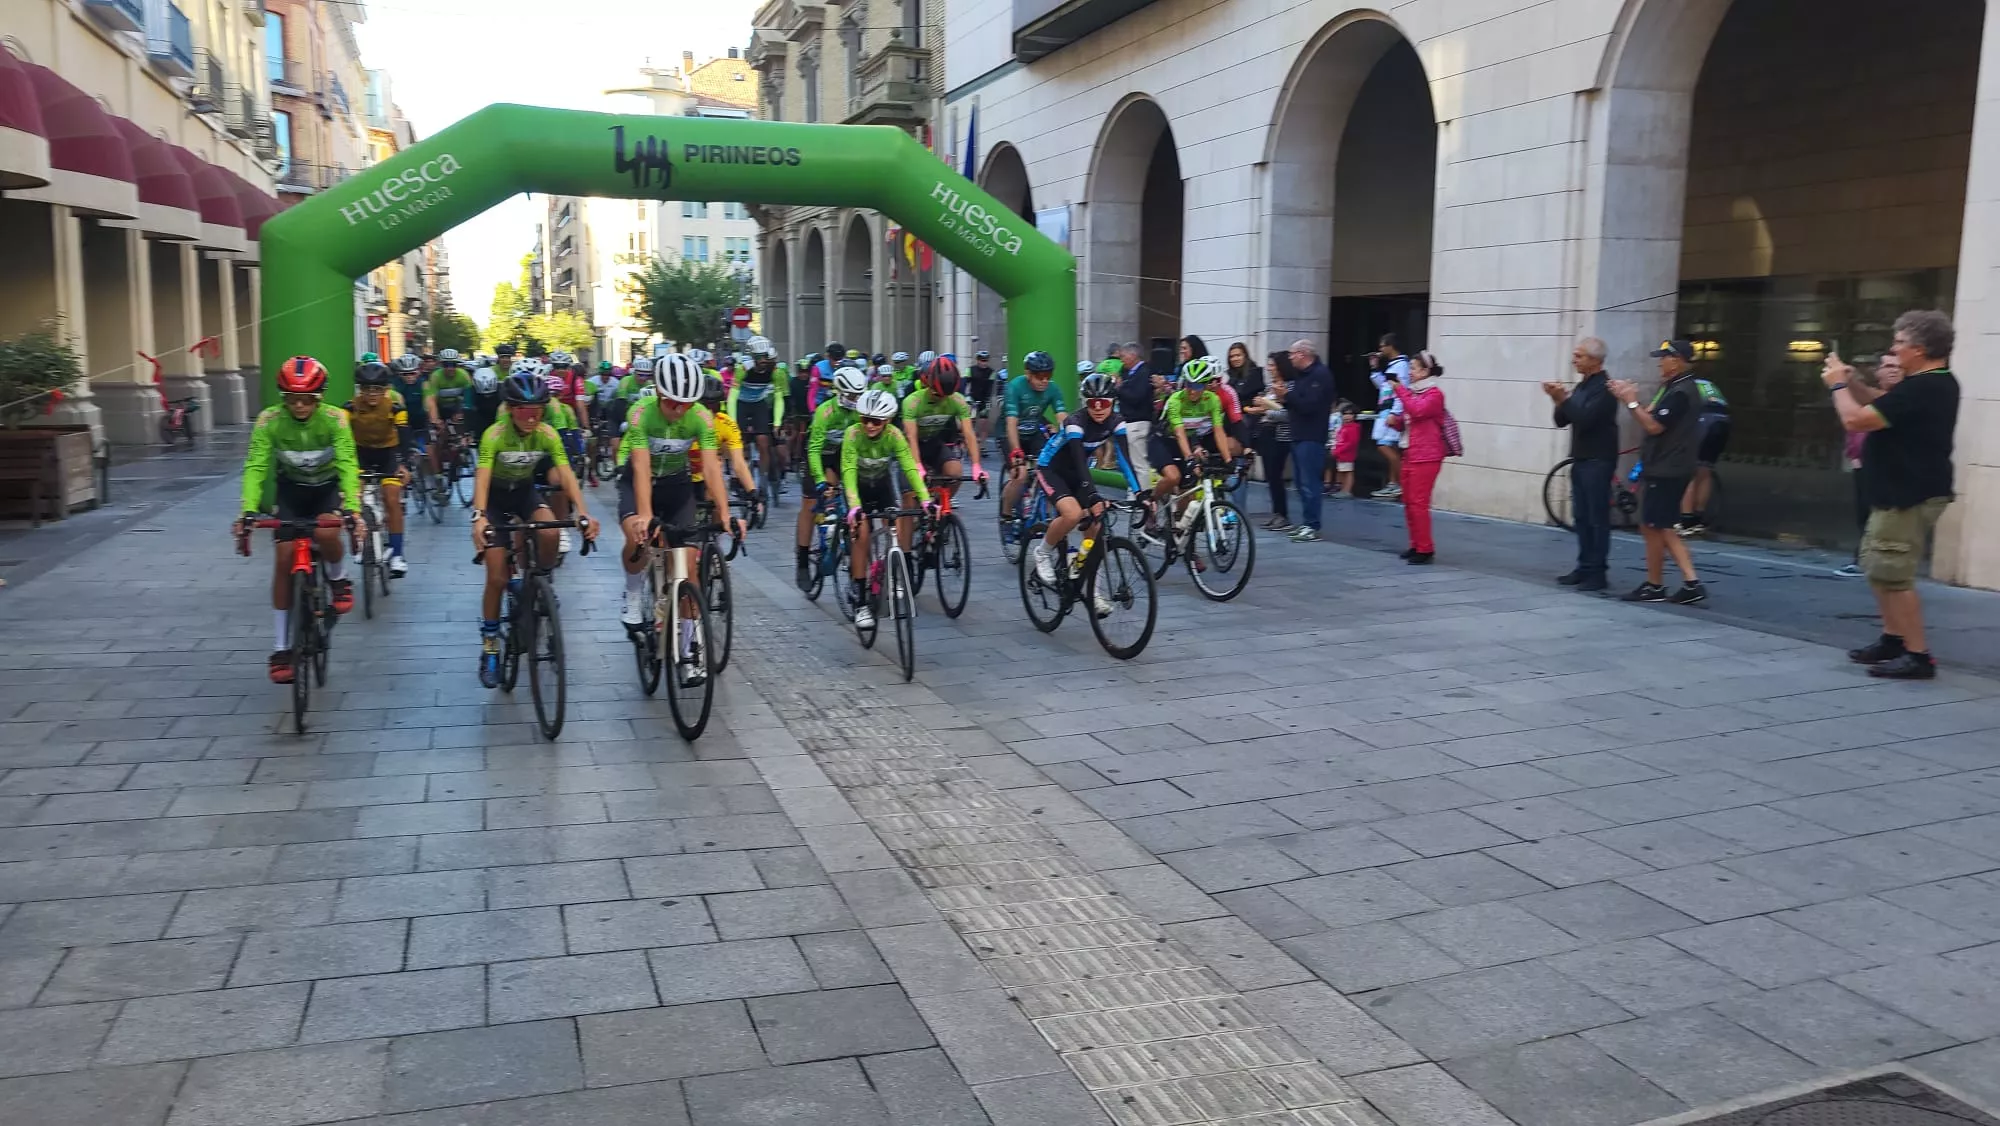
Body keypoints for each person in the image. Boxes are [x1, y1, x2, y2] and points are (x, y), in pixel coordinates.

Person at [1822, 310, 1960, 679]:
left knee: (1895, 576)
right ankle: (1893, 639)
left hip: (1907, 495)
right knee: (1880, 569)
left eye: (1899, 342)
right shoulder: (1927, 385)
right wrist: (1852, 382)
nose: (1893, 349)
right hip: (1895, 492)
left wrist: (1837, 386)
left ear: (1919, 349)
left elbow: (1855, 419)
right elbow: (1880, 404)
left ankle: (1918, 656)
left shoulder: (1924, 387)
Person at [238, 356, 361, 684]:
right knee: (283, 557)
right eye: (292, 399)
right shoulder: (269, 421)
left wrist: (352, 507)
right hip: (291, 492)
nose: (300, 406)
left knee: (327, 533)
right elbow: (256, 466)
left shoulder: (335, 419)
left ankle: (338, 578)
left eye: (307, 399)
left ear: (319, 397)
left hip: (327, 489)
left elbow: (348, 462)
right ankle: (281, 647)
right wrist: (248, 510)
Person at [469, 373, 596, 687]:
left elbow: (566, 473)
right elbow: (482, 476)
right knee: (497, 577)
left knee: (550, 531)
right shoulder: (494, 435)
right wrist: (479, 516)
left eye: (537, 410)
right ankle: (490, 646)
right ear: (511, 409)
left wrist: (583, 512)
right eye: (524, 410)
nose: (531, 416)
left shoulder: (547, 434)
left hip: (524, 493)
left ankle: (541, 582)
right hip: (495, 499)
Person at [615, 355, 727, 685]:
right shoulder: (641, 413)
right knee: (637, 537)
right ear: (660, 394)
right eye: (673, 403)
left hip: (677, 486)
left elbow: (711, 468)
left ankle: (689, 648)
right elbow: (640, 467)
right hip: (639, 482)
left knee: (688, 568)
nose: (679, 410)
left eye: (687, 404)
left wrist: (724, 512)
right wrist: (645, 515)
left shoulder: (701, 417)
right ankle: (633, 593)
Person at [1032, 372, 1142, 617]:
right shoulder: (1075, 422)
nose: (1099, 408)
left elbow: (1125, 459)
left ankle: (1092, 590)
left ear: (1112, 402)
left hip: (1077, 474)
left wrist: (1139, 493)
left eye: (1104, 402)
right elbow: (1079, 461)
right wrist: (1092, 495)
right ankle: (1042, 552)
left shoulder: (1116, 422)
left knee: (1095, 529)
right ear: (1086, 403)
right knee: (1072, 514)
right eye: (1093, 403)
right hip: (1051, 469)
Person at [1608, 341, 1707, 605]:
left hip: (1667, 468)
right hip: (1667, 466)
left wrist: (1630, 402)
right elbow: (1652, 416)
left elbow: (1654, 426)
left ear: (1677, 360)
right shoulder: (1674, 388)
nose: (1660, 362)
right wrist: (1629, 397)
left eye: (1664, 357)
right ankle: (1684, 583)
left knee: (1655, 526)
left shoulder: (1681, 391)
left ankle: (1661, 585)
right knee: (1658, 525)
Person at [842, 388, 933, 630]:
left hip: (882, 486)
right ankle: (860, 600)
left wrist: (925, 500)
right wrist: (854, 506)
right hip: (858, 488)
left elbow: (910, 468)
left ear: (888, 420)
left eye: (876, 421)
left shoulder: (894, 435)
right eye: (865, 419)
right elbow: (848, 470)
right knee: (862, 533)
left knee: (896, 525)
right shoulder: (853, 434)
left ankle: (890, 569)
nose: (869, 425)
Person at [1545, 336, 1619, 592]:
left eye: (1579, 356)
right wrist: (1558, 400)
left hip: (1599, 460)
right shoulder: (1583, 386)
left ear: (1595, 360)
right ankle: (1585, 566)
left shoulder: (1605, 389)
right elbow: (1562, 420)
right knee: (1582, 517)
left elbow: (1586, 419)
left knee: (1597, 517)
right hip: (1582, 458)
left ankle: (1598, 572)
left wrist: (1564, 399)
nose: (1574, 360)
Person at [795, 366, 869, 586]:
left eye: (859, 395)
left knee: (850, 495)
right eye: (851, 396)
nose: (856, 400)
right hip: (818, 454)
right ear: (840, 392)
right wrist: (819, 480)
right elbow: (814, 450)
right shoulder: (825, 412)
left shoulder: (859, 411)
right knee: (810, 503)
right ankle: (802, 561)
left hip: (840, 455)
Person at [1836, 355, 1906, 578]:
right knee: (1865, 513)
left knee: (1885, 516)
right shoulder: (1869, 398)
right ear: (1878, 372)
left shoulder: (1902, 398)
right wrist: (1854, 456)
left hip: (1892, 467)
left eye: (1898, 367)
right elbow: (1854, 427)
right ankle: (1864, 559)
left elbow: (1872, 399)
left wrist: (1845, 381)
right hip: (1865, 464)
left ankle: (1877, 563)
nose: (1894, 370)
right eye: (1888, 366)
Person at [901, 355, 986, 524]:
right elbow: (911, 437)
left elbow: (969, 433)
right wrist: (917, 466)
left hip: (933, 443)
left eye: (946, 395)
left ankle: (937, 510)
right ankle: (908, 539)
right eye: (937, 394)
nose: (942, 399)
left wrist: (977, 466)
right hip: (910, 448)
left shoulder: (957, 400)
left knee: (955, 472)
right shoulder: (912, 402)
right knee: (909, 500)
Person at [344, 361, 411, 576]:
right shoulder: (349, 408)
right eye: (366, 389)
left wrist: (404, 465)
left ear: (386, 389)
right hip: (361, 454)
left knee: (392, 499)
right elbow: (341, 438)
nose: (372, 393)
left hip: (388, 455)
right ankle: (360, 543)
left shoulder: (395, 408)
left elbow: (404, 436)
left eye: (377, 389)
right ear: (359, 389)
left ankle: (397, 555)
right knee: (354, 498)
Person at [1149, 356, 1233, 513]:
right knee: (1173, 477)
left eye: (1198, 385)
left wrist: (1228, 459)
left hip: (1186, 442)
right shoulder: (1175, 400)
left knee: (1187, 492)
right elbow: (1179, 432)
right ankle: (1150, 503)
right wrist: (1189, 458)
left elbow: (1218, 431)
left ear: (1206, 384)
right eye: (1189, 384)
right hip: (1162, 441)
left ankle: (1180, 523)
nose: (1193, 390)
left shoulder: (1212, 400)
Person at [1000, 350, 1068, 538]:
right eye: (1039, 376)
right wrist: (1016, 451)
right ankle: (1006, 516)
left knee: (1049, 467)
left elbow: (1063, 418)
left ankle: (1041, 508)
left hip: (1033, 431)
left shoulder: (1053, 389)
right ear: (1028, 374)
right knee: (1020, 474)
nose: (1044, 380)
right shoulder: (1015, 387)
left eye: (1048, 375)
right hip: (1009, 433)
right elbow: (1011, 423)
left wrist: (1070, 436)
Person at [1272, 340, 1335, 542]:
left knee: (1310, 483)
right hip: (1298, 434)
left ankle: (1312, 525)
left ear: (1302, 354)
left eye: (1292, 354)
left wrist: (1287, 396)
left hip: (1312, 435)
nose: (1290, 358)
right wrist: (1284, 398)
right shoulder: (1302, 375)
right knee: (1300, 482)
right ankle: (1307, 522)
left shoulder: (1320, 375)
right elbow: (1296, 403)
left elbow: (1309, 406)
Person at [1392, 352, 1448, 564]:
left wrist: (1400, 390)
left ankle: (1425, 548)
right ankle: (1416, 544)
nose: (1410, 372)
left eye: (1413, 368)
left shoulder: (1434, 394)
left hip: (1426, 456)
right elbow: (1411, 420)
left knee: (1418, 503)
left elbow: (1418, 411)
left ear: (1425, 371)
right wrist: (1396, 422)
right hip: (1410, 453)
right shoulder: (1414, 393)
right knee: (1409, 502)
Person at [728, 336, 788, 500]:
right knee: (740, 443)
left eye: (765, 357)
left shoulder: (776, 372)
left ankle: (763, 479)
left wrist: (777, 423)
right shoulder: (742, 369)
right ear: (752, 357)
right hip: (740, 404)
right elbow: (732, 398)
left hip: (758, 404)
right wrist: (732, 423)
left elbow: (779, 399)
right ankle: (737, 475)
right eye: (758, 357)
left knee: (763, 441)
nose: (762, 361)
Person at [1677, 375, 1731, 537]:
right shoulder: (1708, 384)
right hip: (1722, 422)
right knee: (1705, 469)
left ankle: (1686, 520)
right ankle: (1699, 519)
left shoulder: (1679, 385)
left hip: (1702, 420)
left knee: (1689, 472)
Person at [1247, 352, 1294, 530]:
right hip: (1265, 433)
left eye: (1272, 365)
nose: (1269, 369)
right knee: (1270, 476)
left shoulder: (1290, 386)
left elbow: (1287, 414)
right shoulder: (1270, 386)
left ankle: (1283, 515)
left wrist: (1265, 410)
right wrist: (1259, 405)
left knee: (1276, 475)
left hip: (1279, 435)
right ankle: (1276, 513)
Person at [1370, 336, 1412, 500]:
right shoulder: (1393, 365)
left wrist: (1395, 412)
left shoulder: (1401, 365)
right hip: (1385, 408)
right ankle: (1393, 483)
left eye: (1382, 346)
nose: (1380, 350)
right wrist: (1375, 368)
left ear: (1391, 346)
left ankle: (1402, 484)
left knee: (1383, 445)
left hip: (1391, 410)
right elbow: (1384, 386)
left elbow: (1402, 389)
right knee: (1390, 447)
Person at [1114, 343, 1160, 487]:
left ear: (1133, 355)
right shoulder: (1126, 372)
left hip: (1137, 422)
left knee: (1139, 463)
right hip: (1128, 421)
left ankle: (1141, 496)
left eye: (1123, 356)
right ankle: (1135, 492)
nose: (1121, 359)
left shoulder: (1144, 372)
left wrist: (1119, 388)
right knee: (1132, 463)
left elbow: (1136, 397)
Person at [1331, 402, 1361, 498]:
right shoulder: (1343, 427)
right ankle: (1343, 490)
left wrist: (1338, 450)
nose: (1347, 416)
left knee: (1348, 472)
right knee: (1342, 472)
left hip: (1347, 454)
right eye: (1345, 414)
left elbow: (1351, 443)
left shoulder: (1353, 428)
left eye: (1350, 414)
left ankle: (1347, 490)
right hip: (1341, 455)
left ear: (1354, 416)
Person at [967, 350, 997, 445]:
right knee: (971, 421)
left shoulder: (991, 372)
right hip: (973, 398)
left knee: (983, 422)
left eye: (986, 360)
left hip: (984, 400)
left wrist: (988, 401)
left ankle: (982, 445)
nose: (984, 363)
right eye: (982, 360)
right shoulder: (970, 370)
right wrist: (966, 397)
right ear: (977, 360)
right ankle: (971, 441)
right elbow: (965, 383)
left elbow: (990, 387)